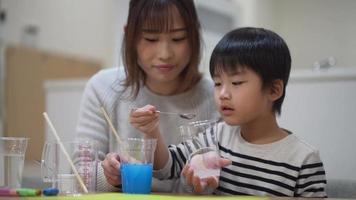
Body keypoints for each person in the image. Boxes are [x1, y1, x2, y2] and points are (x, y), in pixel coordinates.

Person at [130, 27, 327, 197]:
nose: (222, 94)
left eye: (236, 83)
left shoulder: (304, 159)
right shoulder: (217, 136)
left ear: (274, 90)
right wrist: (151, 130)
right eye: (217, 83)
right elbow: (167, 167)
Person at [75, 0, 219, 193]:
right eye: (151, 39)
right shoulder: (102, 87)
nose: (165, 54)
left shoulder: (218, 96)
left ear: (195, 35)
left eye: (178, 38)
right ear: (130, 36)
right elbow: (79, 175)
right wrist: (108, 175)